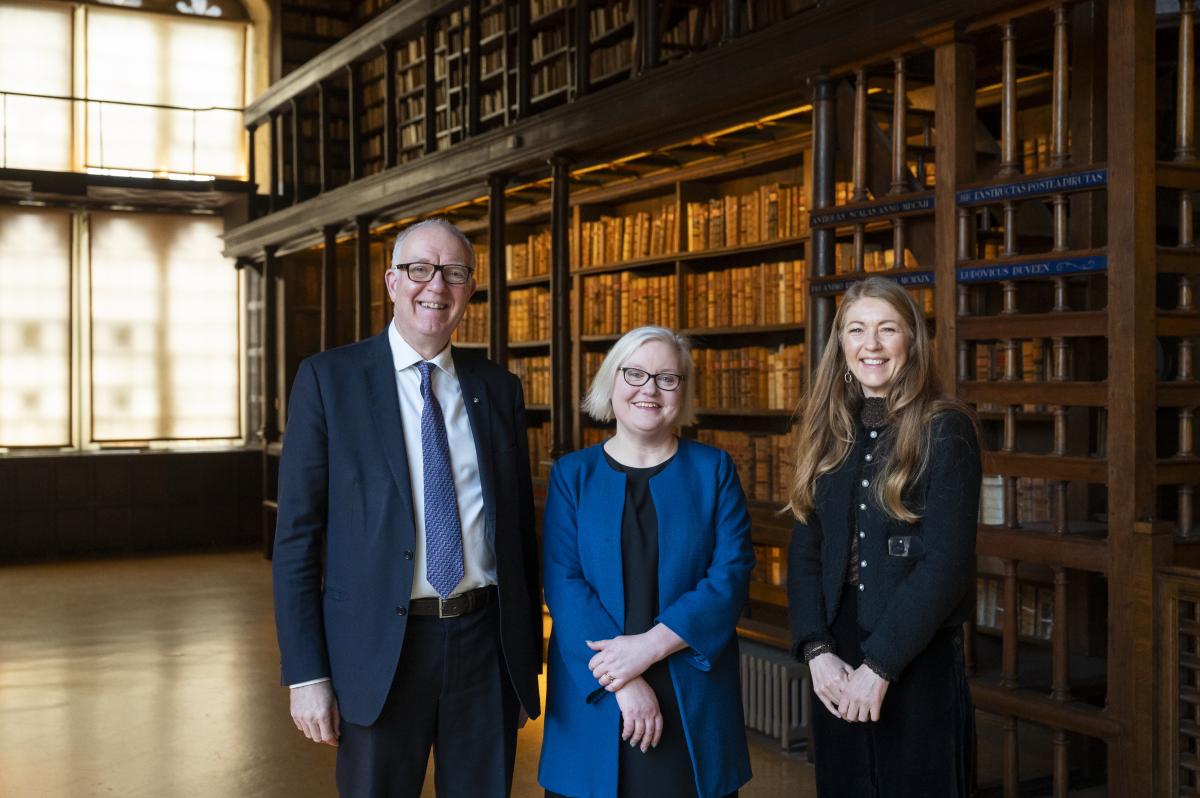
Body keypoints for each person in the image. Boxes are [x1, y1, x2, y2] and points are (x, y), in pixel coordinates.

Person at [272, 218, 542, 797]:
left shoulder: (499, 389)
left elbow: (519, 531)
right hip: (378, 653)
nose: (435, 286)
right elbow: (296, 539)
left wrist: (523, 661)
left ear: (470, 289)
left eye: (454, 273)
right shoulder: (328, 380)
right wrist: (306, 673)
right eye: (420, 269)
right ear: (391, 281)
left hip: (484, 646)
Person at [538, 326, 754, 798]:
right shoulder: (572, 475)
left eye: (667, 378)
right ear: (610, 382)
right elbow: (563, 582)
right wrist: (624, 680)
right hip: (595, 692)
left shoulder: (714, 469)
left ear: (683, 391)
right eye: (634, 373)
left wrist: (648, 648)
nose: (649, 389)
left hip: (691, 689)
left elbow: (731, 573)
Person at [786, 277, 980, 797]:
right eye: (857, 330)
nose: (871, 345)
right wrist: (816, 650)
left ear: (911, 341)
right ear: (842, 345)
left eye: (886, 329)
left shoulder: (945, 427)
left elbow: (948, 564)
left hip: (913, 649)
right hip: (836, 651)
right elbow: (806, 549)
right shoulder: (828, 428)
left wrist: (880, 666)